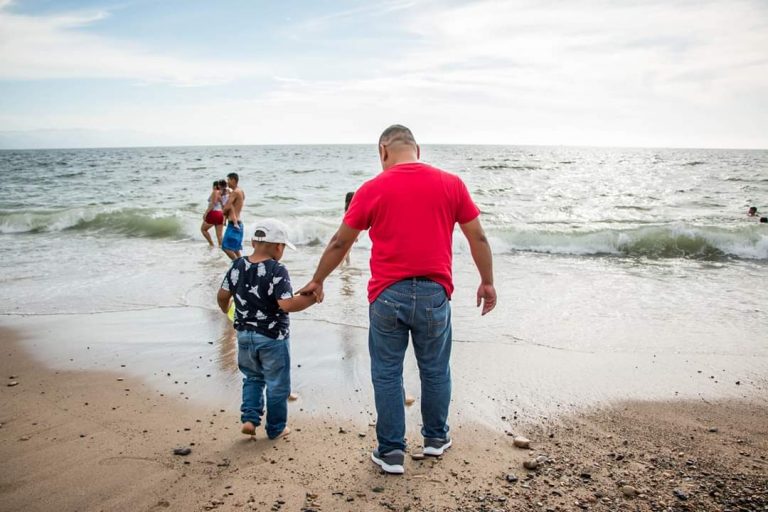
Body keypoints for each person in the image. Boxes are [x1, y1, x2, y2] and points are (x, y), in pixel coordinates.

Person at [298, 125, 496, 475]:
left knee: (387, 373)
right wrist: (487, 282)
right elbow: (477, 236)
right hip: (435, 294)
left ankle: (391, 452)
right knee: (435, 369)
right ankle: (436, 439)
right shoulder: (451, 184)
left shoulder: (372, 188)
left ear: (383, 150)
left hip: (388, 296)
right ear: (416, 149)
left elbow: (339, 243)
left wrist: (318, 279)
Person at [217, 219, 315, 439]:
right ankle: (276, 428)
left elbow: (223, 296)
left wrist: (227, 310)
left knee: (252, 377)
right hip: (273, 338)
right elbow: (287, 304)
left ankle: (250, 419)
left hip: (243, 335)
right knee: (277, 384)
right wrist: (312, 299)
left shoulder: (237, 265)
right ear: (279, 247)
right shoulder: (277, 269)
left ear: (253, 241)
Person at [221, 172, 246, 260]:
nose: (227, 182)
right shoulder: (241, 191)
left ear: (233, 180)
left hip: (233, 224)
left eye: (228, 180)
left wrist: (222, 212)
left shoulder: (235, 192)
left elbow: (227, 206)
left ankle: (237, 264)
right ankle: (242, 266)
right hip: (239, 223)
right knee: (235, 249)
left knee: (225, 247)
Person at [201, 181, 225, 246]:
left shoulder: (215, 192)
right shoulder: (222, 193)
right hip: (221, 214)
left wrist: (206, 213)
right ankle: (221, 249)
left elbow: (213, 204)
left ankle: (211, 244)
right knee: (219, 235)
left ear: (214, 186)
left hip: (214, 213)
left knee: (203, 229)